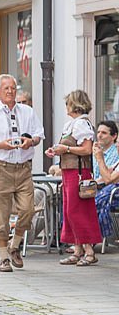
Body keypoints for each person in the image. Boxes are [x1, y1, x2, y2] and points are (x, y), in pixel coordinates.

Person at [0, 74, 44, 273]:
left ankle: (16, 245)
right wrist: (2, 145)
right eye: (6, 88)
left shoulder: (28, 111)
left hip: (23, 167)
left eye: (13, 88)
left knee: (28, 209)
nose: (10, 91)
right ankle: (3, 257)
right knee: (1, 213)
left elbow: (39, 135)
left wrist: (30, 141)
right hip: (1, 167)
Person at [46, 91, 101, 267]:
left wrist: (66, 150)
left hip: (79, 174)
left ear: (74, 105)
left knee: (77, 212)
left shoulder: (82, 125)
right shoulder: (72, 124)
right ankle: (77, 250)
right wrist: (56, 151)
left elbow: (86, 149)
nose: (66, 107)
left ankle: (89, 251)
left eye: (68, 103)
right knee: (70, 212)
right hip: (69, 172)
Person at [92, 120, 119, 242]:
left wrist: (99, 159)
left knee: (85, 202)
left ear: (114, 136)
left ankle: (87, 240)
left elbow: (108, 179)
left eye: (104, 133)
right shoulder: (96, 151)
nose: (99, 135)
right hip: (100, 190)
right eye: (98, 132)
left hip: (109, 194)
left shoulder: (111, 155)